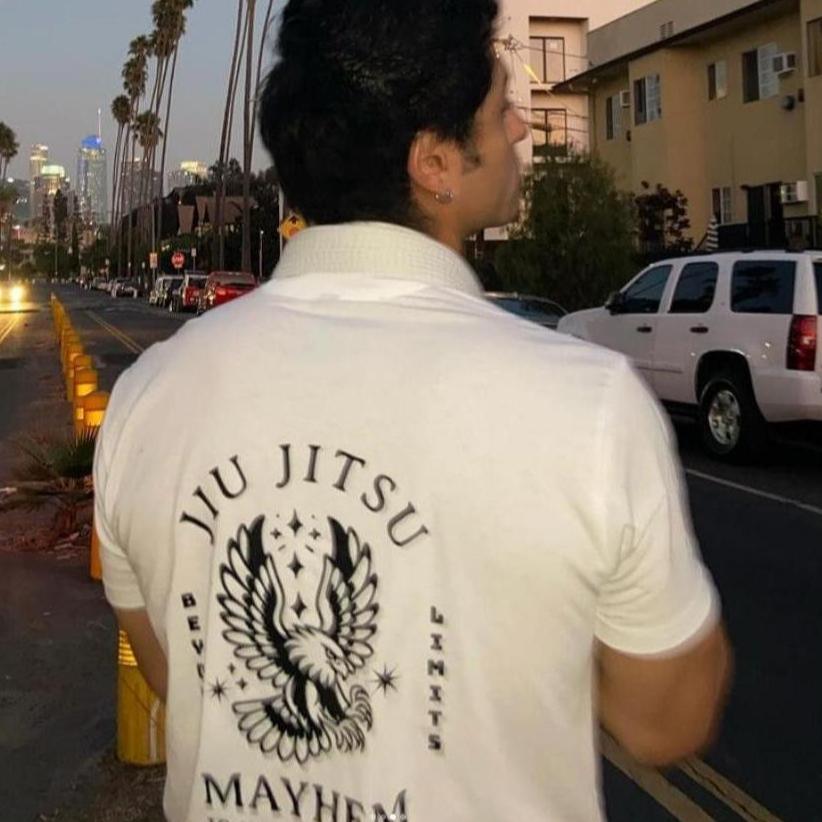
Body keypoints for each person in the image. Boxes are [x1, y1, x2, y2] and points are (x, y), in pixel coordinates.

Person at [95, 1, 731, 820]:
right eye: (502, 109)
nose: (522, 131)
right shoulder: (590, 405)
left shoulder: (147, 398)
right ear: (434, 161)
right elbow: (662, 722)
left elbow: (179, 674)